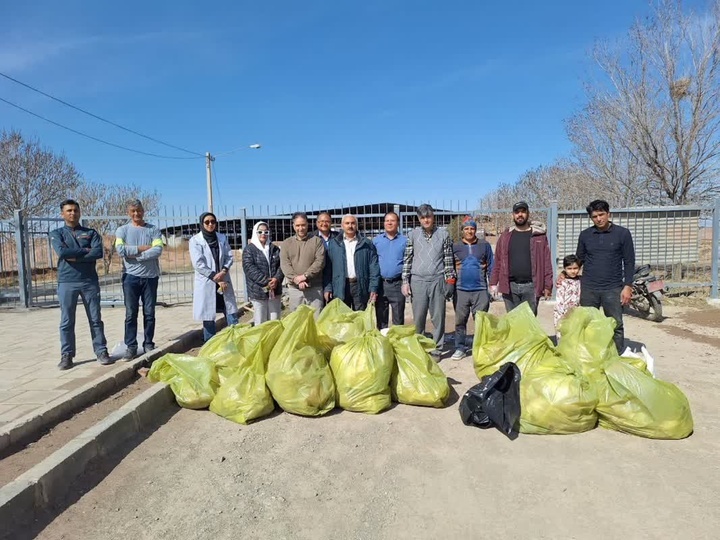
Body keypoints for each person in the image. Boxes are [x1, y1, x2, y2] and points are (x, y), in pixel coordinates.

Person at [49, 199, 113, 370]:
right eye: (69, 210)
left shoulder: (91, 233)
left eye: (75, 210)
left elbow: (97, 252)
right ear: (62, 214)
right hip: (67, 282)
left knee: (95, 319)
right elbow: (62, 252)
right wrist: (85, 251)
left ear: (79, 212)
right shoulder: (57, 233)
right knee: (67, 321)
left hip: (89, 281)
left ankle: (101, 351)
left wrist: (75, 256)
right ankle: (67, 355)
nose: (72, 213)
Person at [576, 199, 635, 354]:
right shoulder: (585, 235)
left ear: (609, 214)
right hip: (589, 288)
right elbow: (579, 259)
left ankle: (616, 357)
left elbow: (629, 261)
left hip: (613, 288)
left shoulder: (622, 234)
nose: (599, 219)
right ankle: (590, 356)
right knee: (588, 325)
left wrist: (628, 286)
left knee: (615, 325)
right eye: (595, 216)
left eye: (601, 214)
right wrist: (564, 274)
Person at [401, 204, 456, 357]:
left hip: (437, 280)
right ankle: (419, 348)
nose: (426, 220)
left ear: (433, 217)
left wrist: (450, 281)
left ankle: (437, 348)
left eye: (428, 216)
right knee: (418, 317)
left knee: (438, 316)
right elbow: (407, 258)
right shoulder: (412, 235)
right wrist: (405, 281)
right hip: (417, 281)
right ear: (419, 219)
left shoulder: (443, 235)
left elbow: (448, 260)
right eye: (423, 217)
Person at [114, 199, 163, 360]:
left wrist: (136, 255)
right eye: (133, 211)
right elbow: (120, 250)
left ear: (143, 211)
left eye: (139, 210)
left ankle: (148, 343)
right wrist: (142, 248)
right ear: (129, 212)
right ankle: (131, 346)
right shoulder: (122, 231)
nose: (136, 214)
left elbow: (157, 249)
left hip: (150, 277)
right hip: (131, 277)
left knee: (149, 312)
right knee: (130, 313)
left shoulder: (153, 230)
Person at [489, 201, 553, 315]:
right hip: (510, 287)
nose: (520, 215)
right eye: (517, 212)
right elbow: (498, 261)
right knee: (513, 322)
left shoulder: (539, 236)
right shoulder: (505, 237)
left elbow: (546, 262)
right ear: (513, 215)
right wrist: (493, 283)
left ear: (528, 214)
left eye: (523, 212)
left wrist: (548, 285)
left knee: (529, 323)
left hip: (531, 286)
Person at [190, 212, 239, 342]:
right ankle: (210, 346)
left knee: (231, 313)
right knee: (208, 317)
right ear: (202, 224)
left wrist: (223, 271)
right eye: (207, 222)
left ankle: (235, 341)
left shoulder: (222, 238)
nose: (210, 224)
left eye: (213, 222)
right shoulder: (195, 241)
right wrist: (215, 277)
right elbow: (198, 264)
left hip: (224, 279)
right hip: (208, 281)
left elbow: (229, 256)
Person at [451, 217, 494, 360]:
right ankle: (460, 347)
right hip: (460, 290)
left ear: (475, 230)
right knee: (460, 321)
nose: (469, 231)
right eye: (466, 228)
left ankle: (481, 347)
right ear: (462, 231)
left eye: (472, 228)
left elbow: (491, 265)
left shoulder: (484, 245)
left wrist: (493, 285)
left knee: (481, 321)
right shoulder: (455, 247)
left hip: (480, 289)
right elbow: (450, 267)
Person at [324, 214, 380, 310]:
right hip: (340, 286)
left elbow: (373, 267)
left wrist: (373, 288)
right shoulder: (334, 244)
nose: (350, 226)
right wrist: (328, 288)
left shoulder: (366, 243)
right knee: (342, 319)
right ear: (342, 226)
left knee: (359, 318)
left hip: (360, 285)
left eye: (353, 223)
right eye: (347, 223)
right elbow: (328, 268)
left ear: (356, 225)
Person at [280, 212, 325, 314]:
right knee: (297, 321)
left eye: (303, 225)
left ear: (307, 224)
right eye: (298, 225)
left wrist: (305, 276)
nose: (301, 228)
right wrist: (296, 279)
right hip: (295, 289)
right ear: (293, 226)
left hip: (314, 288)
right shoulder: (287, 243)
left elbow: (320, 262)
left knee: (315, 320)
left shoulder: (317, 241)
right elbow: (285, 264)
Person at [242, 221, 283, 326]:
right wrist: (266, 282)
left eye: (266, 232)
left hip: (274, 290)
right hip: (258, 292)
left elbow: (281, 266)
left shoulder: (275, 249)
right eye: (260, 232)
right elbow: (249, 268)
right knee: (260, 322)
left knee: (275, 321)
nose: (263, 234)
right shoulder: (249, 250)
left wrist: (276, 279)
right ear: (255, 233)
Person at [373, 211, 407, 329]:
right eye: (387, 220)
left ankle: (397, 344)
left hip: (397, 284)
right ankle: (383, 343)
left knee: (398, 319)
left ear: (397, 223)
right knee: (381, 317)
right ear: (384, 223)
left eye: (392, 220)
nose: (389, 223)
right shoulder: (376, 241)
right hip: (381, 284)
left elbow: (408, 262)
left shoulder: (405, 241)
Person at [554, 254, 583, 333]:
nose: (573, 271)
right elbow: (559, 302)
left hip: (576, 314)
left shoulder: (580, 280)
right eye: (569, 268)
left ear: (579, 268)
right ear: (564, 269)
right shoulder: (562, 282)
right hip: (563, 314)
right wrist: (563, 316)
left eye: (575, 268)